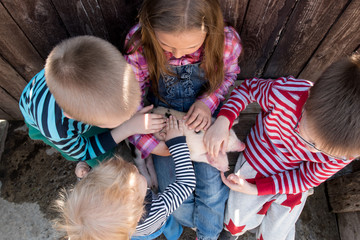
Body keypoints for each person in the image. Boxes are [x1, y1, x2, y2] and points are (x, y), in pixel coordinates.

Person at [204, 54, 360, 240]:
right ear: (307, 100)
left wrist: (258, 190)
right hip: (259, 159)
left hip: (295, 177)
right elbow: (247, 90)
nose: (313, 150)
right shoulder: (287, 94)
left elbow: (306, 178)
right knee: (238, 214)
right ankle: (232, 231)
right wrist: (224, 119)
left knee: (279, 228)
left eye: (325, 152)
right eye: (310, 139)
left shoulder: (346, 149)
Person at [124, 0, 242, 238]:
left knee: (211, 187)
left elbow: (229, 76)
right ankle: (194, 223)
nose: (177, 54)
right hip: (165, 123)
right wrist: (153, 146)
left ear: (209, 30)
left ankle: (208, 234)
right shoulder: (140, 45)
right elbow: (131, 104)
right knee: (173, 192)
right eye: (166, 45)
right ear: (149, 25)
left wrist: (207, 102)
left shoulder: (226, 40)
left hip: (202, 120)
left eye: (190, 47)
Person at [19, 36, 166, 178]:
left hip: (73, 103)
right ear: (83, 119)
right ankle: (81, 162)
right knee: (97, 157)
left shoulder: (98, 64)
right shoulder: (59, 130)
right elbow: (87, 149)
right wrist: (128, 127)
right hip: (42, 123)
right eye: (121, 117)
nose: (128, 117)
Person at [55, 115, 196, 240]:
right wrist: (177, 142)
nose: (133, 167)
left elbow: (93, 198)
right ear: (136, 203)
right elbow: (186, 183)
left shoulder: (114, 229)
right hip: (156, 225)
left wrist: (83, 179)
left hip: (133, 234)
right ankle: (176, 235)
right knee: (169, 225)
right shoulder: (159, 209)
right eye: (133, 175)